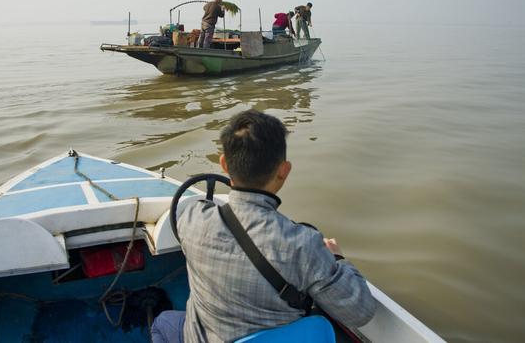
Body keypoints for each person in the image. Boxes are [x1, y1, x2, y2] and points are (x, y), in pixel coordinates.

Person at [151, 109, 376, 343]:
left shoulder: (192, 217)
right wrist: (338, 259)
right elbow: (361, 312)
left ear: (224, 164)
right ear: (284, 170)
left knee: (162, 322)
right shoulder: (303, 244)